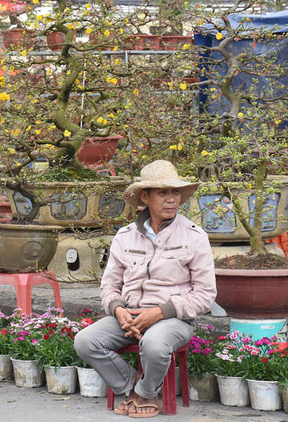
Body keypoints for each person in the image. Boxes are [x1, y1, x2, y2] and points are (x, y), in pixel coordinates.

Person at [74, 160, 216, 418]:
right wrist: (118, 311)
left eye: (175, 193)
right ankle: (132, 388)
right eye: (163, 193)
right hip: (129, 316)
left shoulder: (195, 237)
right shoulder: (125, 236)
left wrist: (160, 313)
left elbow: (205, 295)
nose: (171, 199)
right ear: (145, 197)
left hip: (174, 319)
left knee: (154, 343)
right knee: (86, 341)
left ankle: (147, 394)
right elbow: (109, 285)